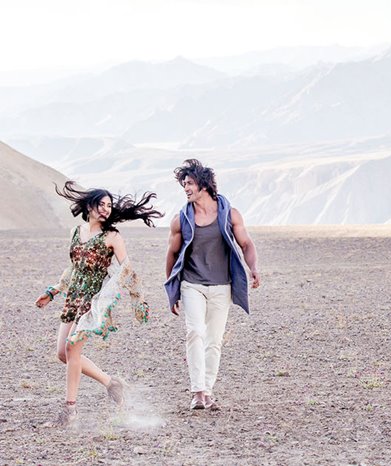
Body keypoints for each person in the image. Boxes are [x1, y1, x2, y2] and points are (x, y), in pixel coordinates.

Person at [35, 181, 163, 427]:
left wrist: (138, 301)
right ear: (89, 206)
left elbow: (127, 270)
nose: (106, 209)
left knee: (72, 348)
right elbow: (74, 267)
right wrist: (53, 291)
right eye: (101, 204)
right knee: (63, 354)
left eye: (109, 205)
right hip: (73, 298)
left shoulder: (112, 236)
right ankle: (111, 383)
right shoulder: (76, 232)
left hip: (93, 300)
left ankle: (69, 412)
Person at [165, 159, 260, 411]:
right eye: (184, 184)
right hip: (192, 284)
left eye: (190, 183)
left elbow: (246, 244)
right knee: (195, 332)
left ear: (204, 185)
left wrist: (253, 268)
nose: (186, 188)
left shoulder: (229, 214)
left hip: (221, 286)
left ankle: (207, 391)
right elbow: (172, 254)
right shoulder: (181, 220)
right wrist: (172, 291)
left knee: (214, 341)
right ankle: (197, 392)